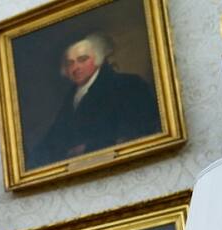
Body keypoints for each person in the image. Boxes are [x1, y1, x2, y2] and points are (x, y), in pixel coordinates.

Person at [32, 33, 161, 168]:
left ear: (98, 59)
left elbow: (140, 130)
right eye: (70, 63)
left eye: (83, 59)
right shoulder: (71, 97)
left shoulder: (128, 84)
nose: (75, 68)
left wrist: (89, 148)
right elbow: (54, 139)